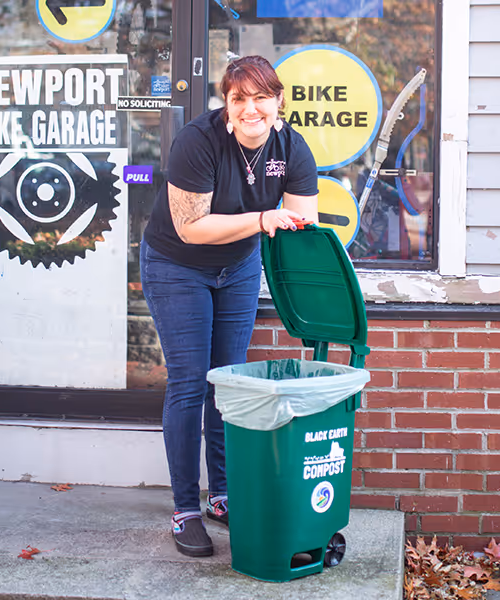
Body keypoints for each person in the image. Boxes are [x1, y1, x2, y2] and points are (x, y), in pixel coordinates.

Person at [140, 55, 319, 557]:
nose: (251, 108)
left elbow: (302, 221)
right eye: (239, 98)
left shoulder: (291, 146)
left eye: (262, 96)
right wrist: (265, 218)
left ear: (278, 100)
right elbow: (190, 228)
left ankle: (222, 496)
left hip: (238, 267)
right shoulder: (198, 141)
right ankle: (185, 509)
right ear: (227, 102)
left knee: (229, 384)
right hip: (178, 265)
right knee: (190, 382)